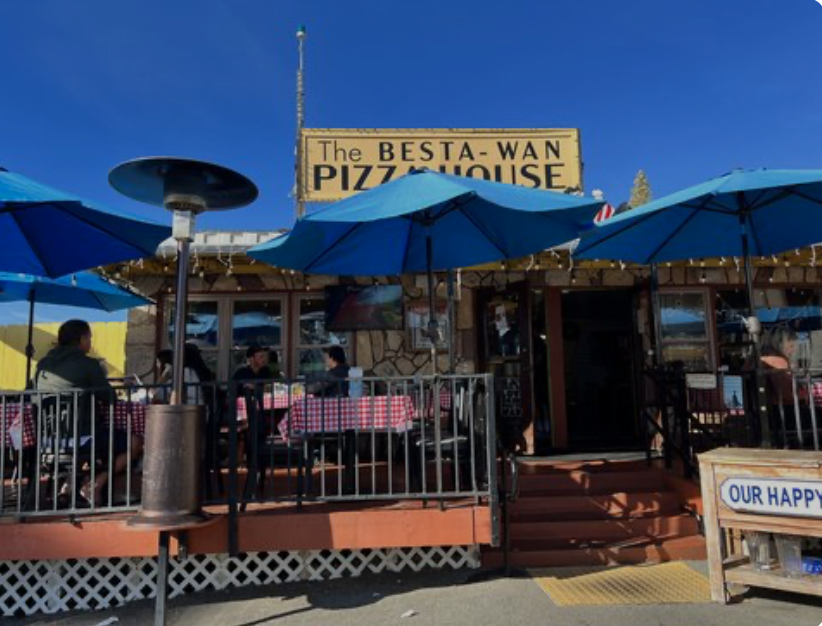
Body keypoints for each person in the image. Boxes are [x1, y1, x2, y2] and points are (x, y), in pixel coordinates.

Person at [34, 319, 143, 505]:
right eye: (89, 338)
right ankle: (95, 485)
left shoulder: (43, 364)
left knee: (84, 440)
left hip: (48, 439)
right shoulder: (88, 364)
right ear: (82, 339)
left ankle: (68, 486)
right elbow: (110, 399)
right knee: (134, 442)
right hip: (83, 436)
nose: (90, 342)